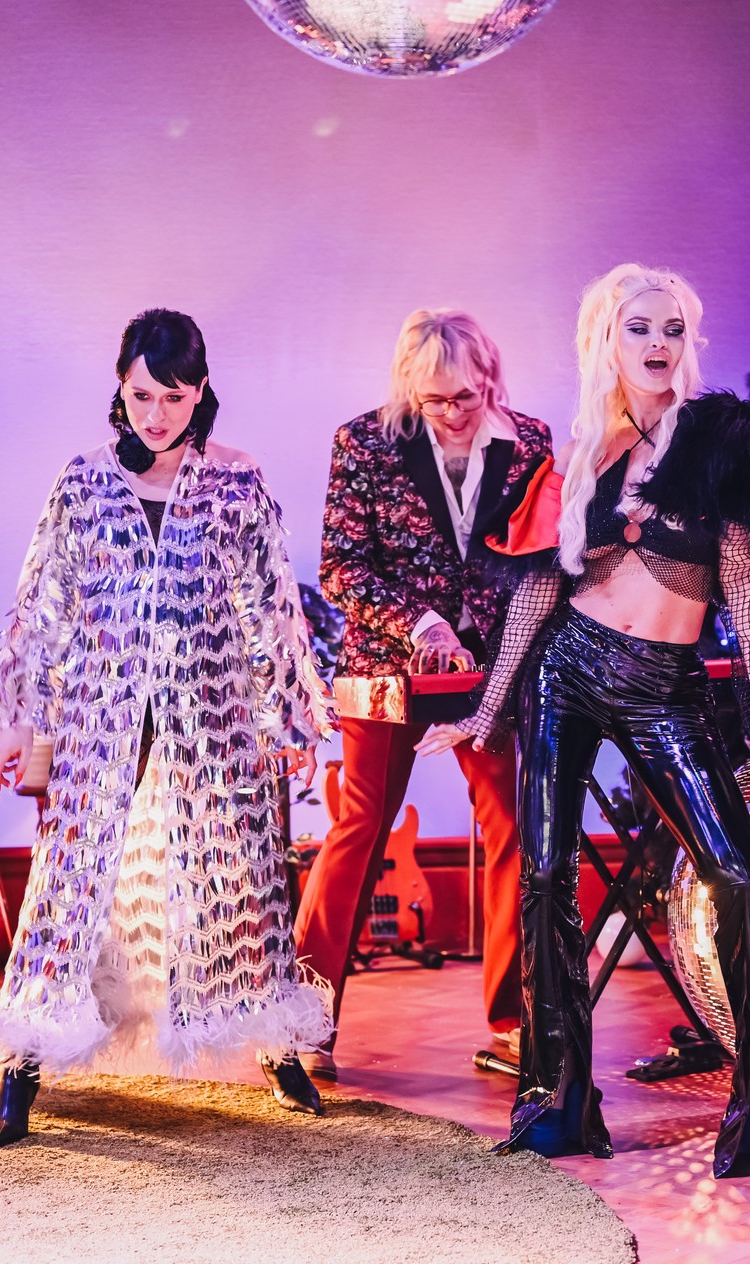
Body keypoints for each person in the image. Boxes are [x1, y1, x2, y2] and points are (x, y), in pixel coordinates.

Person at [418, 264, 750, 1177]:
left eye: (672, 330)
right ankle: (558, 1095)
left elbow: (741, 582)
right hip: (567, 673)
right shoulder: (584, 452)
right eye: (639, 328)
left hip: (663, 686)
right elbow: (539, 591)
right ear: (605, 342)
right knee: (545, 877)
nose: (657, 345)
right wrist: (487, 709)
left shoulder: (715, 440)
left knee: (735, 873)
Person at [0, 310, 334, 1145]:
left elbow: (272, 608)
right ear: (119, 391)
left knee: (241, 877)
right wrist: (16, 718)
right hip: (102, 713)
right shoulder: (84, 482)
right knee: (69, 877)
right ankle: (22, 1065)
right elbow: (42, 607)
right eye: (140, 395)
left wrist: (290, 717)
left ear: (201, 393)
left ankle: (276, 1048)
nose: (156, 414)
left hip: (213, 711)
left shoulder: (236, 482)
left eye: (173, 396)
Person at [301, 310, 551, 1081]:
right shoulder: (363, 442)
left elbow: (539, 561)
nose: (449, 413)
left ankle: (513, 1020)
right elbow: (341, 567)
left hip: (488, 669)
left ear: (489, 379)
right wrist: (423, 622)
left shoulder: (531, 442)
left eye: (464, 398)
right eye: (432, 399)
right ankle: (304, 1023)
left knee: (513, 827)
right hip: (385, 666)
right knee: (359, 828)